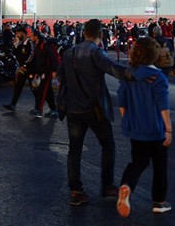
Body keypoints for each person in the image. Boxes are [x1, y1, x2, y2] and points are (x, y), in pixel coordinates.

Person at [56, 18, 132, 206]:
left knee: (74, 150)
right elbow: (114, 70)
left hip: (73, 109)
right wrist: (138, 73)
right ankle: (107, 185)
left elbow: (60, 77)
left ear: (83, 33)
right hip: (94, 109)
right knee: (108, 145)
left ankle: (76, 190)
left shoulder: (69, 53)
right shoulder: (96, 52)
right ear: (100, 35)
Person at [116, 37, 172, 217]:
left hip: (136, 129)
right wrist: (168, 129)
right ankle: (158, 202)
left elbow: (122, 102)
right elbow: (163, 105)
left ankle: (127, 185)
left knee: (138, 162)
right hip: (156, 130)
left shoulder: (129, 75)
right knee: (160, 166)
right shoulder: (158, 77)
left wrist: (129, 120)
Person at [3, 26, 35, 112]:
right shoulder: (20, 43)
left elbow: (31, 54)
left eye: (18, 33)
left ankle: (38, 107)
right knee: (18, 86)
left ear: (23, 33)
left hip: (29, 69)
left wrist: (25, 65)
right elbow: (16, 54)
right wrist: (14, 45)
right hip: (21, 68)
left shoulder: (29, 42)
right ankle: (12, 105)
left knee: (34, 88)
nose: (16, 35)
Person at [30, 30, 59, 118]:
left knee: (42, 90)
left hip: (47, 71)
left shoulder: (44, 45)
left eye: (32, 36)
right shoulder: (37, 45)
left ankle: (38, 110)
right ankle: (53, 110)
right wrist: (36, 72)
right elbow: (38, 60)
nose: (30, 37)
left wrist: (54, 70)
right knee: (47, 91)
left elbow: (53, 58)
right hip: (41, 71)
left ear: (36, 36)